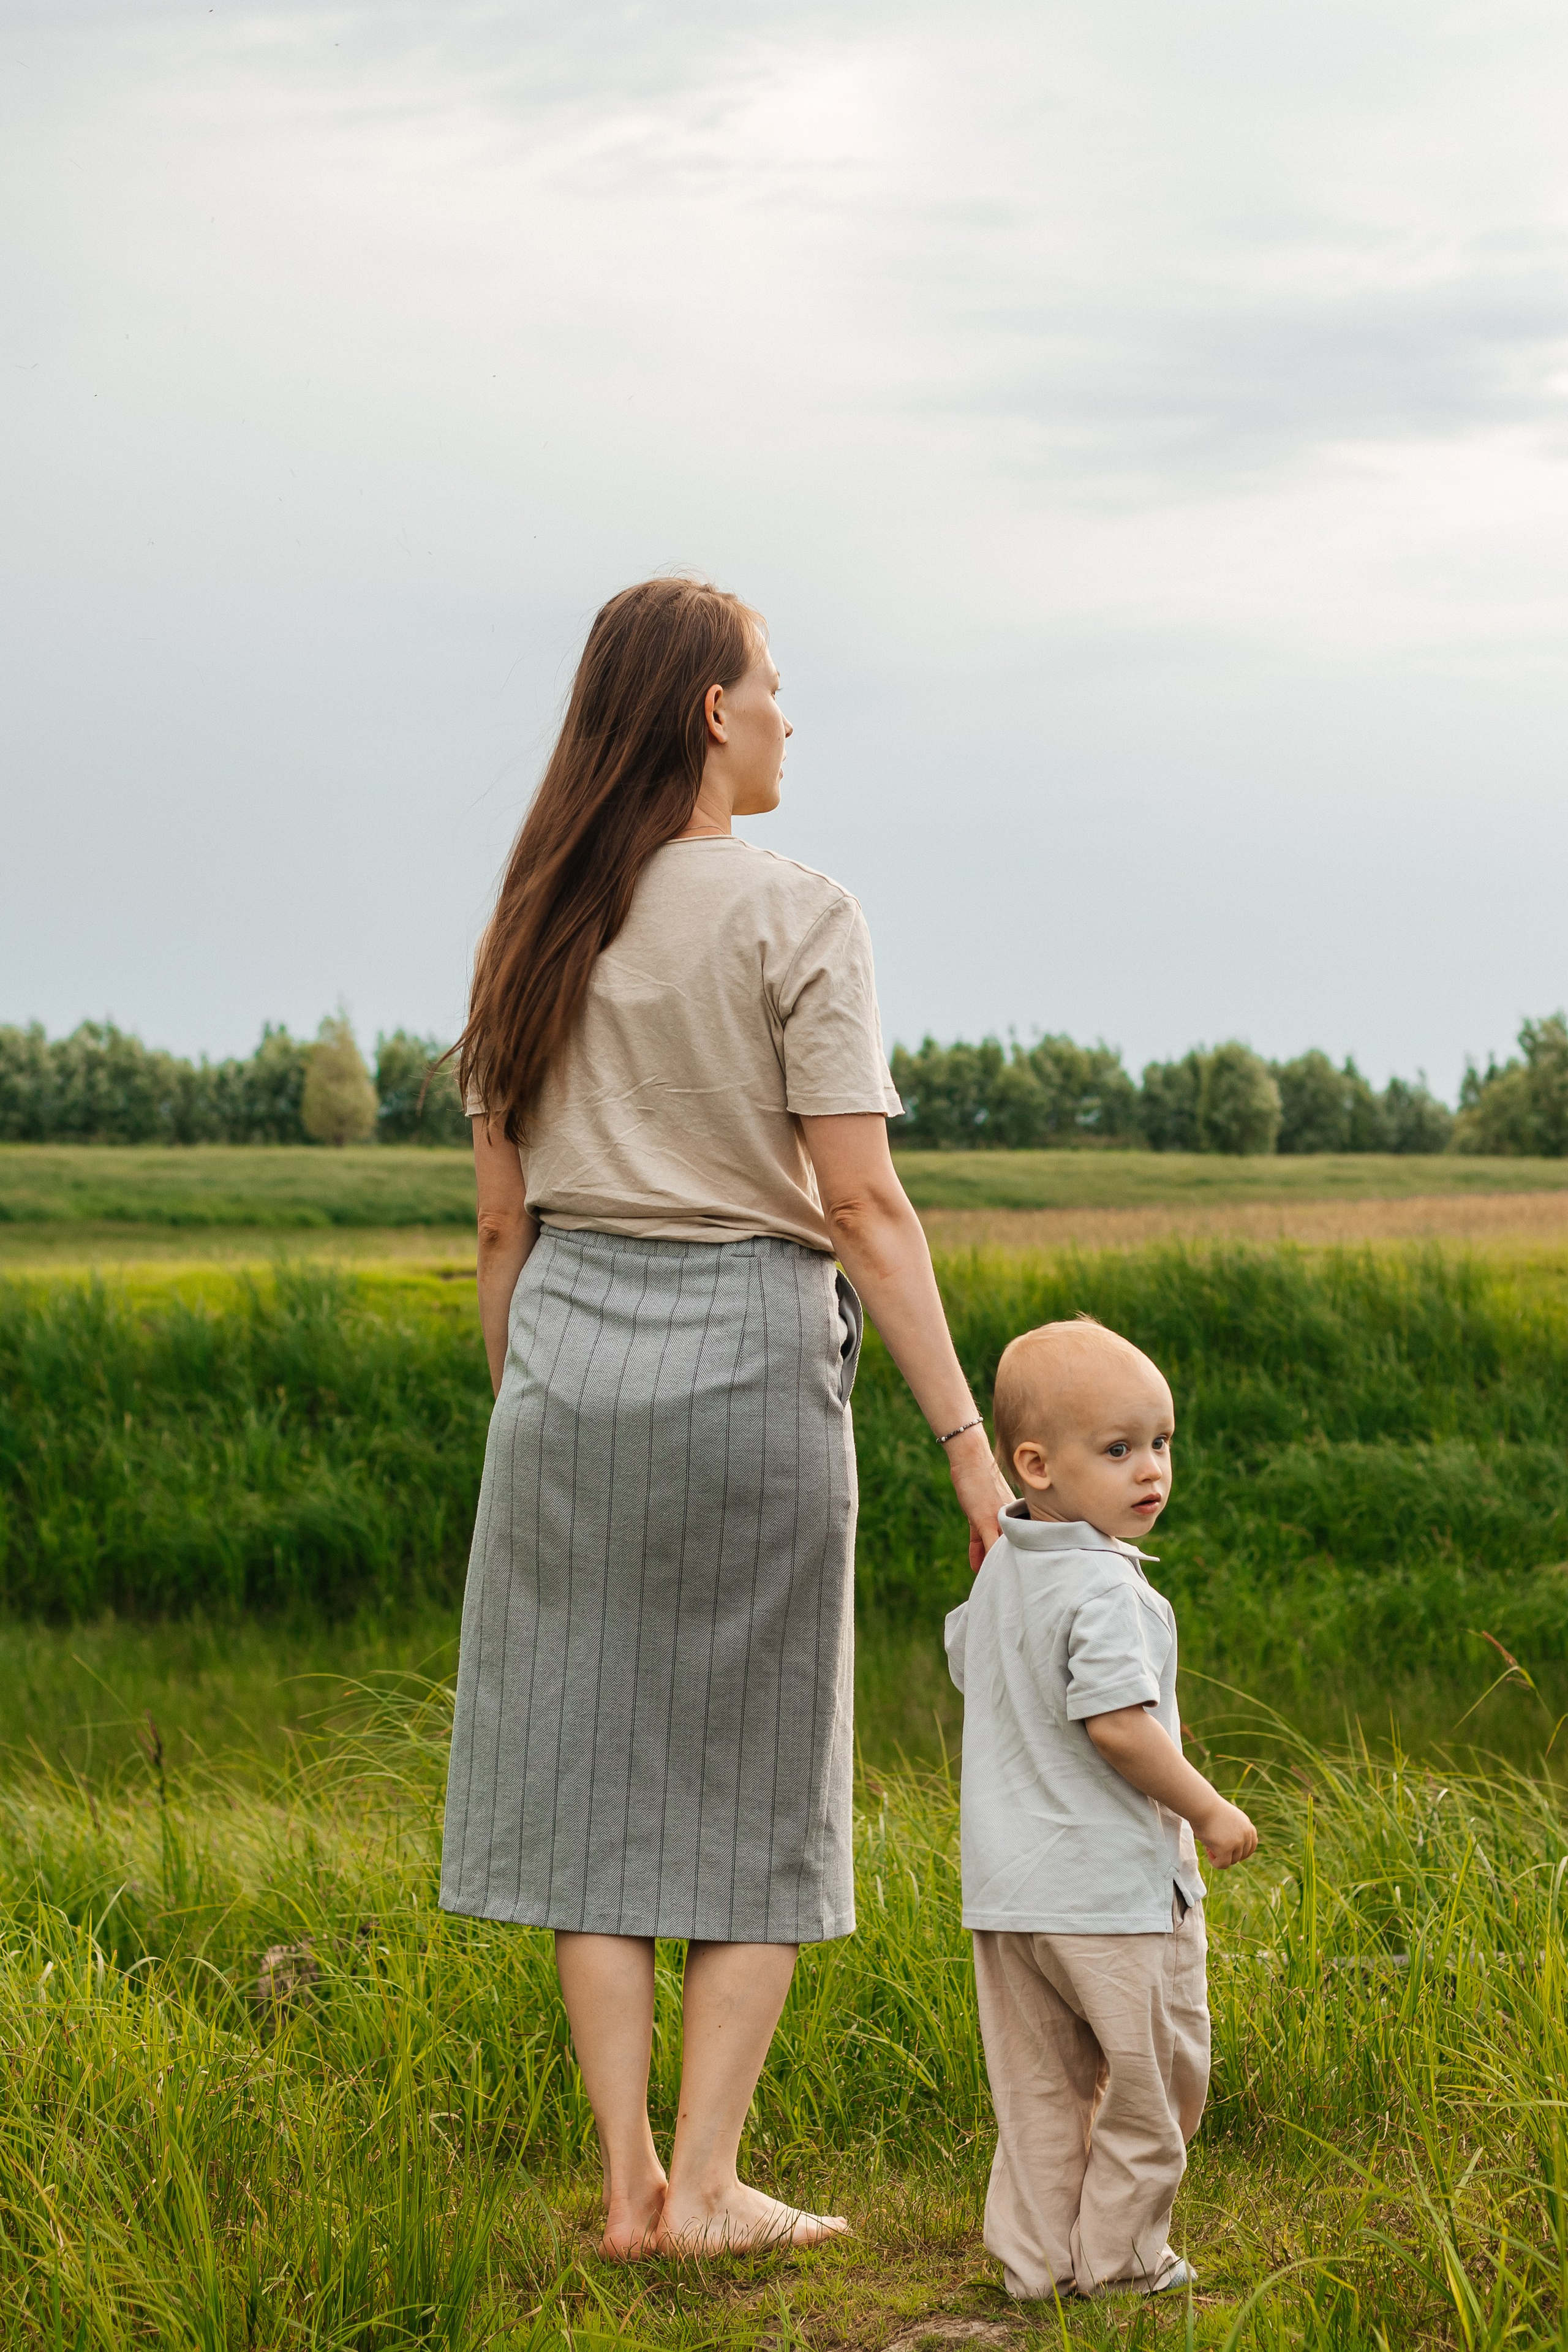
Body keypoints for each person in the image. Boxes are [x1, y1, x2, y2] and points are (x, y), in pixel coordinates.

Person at [440, 576, 1012, 2259]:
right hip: (754, 1363)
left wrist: (531, 1399)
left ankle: (624, 2192)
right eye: (773, 686)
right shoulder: (799, 913)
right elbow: (866, 1208)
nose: (786, 716)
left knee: (589, 1788)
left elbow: (499, 1226)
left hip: (567, 1375)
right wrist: (970, 1445)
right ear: (711, 710)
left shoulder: (530, 925)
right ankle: (705, 2192)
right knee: (756, 1782)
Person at [944, 1317, 1258, 2300]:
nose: (1149, 1470)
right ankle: (1120, 2263)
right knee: (1159, 2077)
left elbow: (973, 1669)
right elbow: (1116, 1727)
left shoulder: (1001, 1570)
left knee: (1040, 2090)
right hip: (1109, 1894)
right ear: (1032, 1464)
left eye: (1160, 1443)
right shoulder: (1107, 1589)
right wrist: (1206, 1808)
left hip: (1009, 1894)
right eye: (1117, 1450)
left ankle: (1037, 2267)